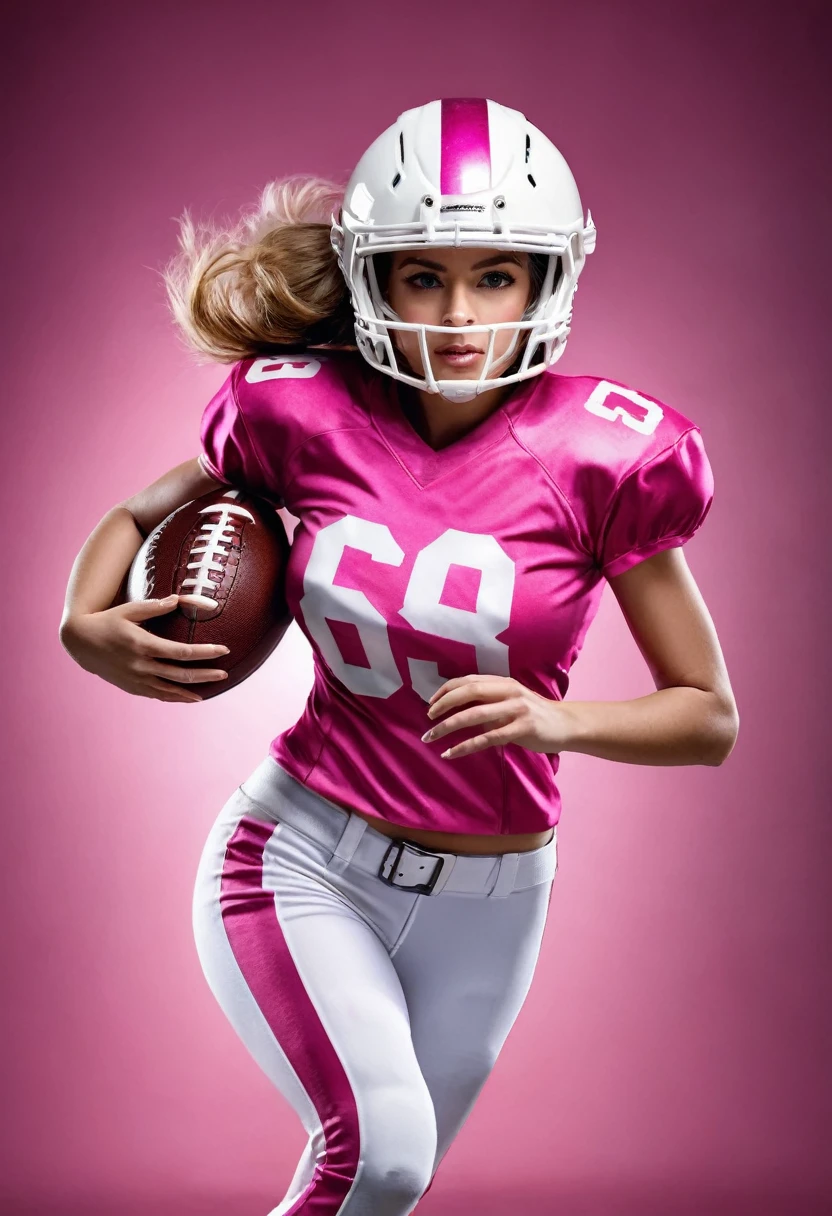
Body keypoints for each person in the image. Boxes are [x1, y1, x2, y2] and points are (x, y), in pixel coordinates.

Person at [59, 97, 739, 1215]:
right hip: (303, 848)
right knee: (378, 1158)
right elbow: (138, 516)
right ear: (374, 277)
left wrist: (556, 717)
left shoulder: (606, 454)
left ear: (545, 278)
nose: (460, 311)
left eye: (496, 275)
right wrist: (82, 624)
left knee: (379, 1194)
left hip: (501, 893)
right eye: (423, 275)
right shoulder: (299, 411)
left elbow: (706, 715)